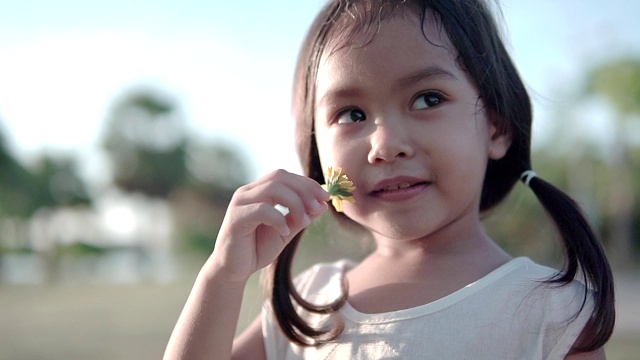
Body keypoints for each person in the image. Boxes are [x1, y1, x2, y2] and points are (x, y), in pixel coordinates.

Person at [163, 0, 615, 359]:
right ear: (317, 150)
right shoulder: (308, 305)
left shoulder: (548, 313)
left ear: (495, 127)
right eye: (352, 114)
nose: (385, 144)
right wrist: (222, 279)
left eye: (427, 99)